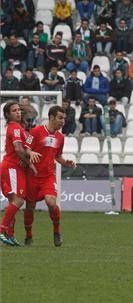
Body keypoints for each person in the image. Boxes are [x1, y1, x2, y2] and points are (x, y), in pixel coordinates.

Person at [23, 106, 76, 247]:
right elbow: (25, 148)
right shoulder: (36, 131)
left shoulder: (60, 137)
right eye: (60, 118)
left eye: (64, 118)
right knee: (30, 207)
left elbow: (57, 156)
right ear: (51, 117)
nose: (63, 121)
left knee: (51, 202)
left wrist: (66, 163)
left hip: (48, 176)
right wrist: (30, 153)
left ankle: (56, 232)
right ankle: (28, 235)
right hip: (32, 176)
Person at [0, 102, 40, 246]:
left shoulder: (19, 128)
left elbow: (24, 146)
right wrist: (30, 164)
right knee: (19, 200)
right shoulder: (15, 128)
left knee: (13, 202)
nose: (18, 112)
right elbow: (18, 148)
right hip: (12, 168)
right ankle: (2, 229)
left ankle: (9, 235)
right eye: (14, 110)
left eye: (19, 110)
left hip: (14, 168)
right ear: (8, 114)